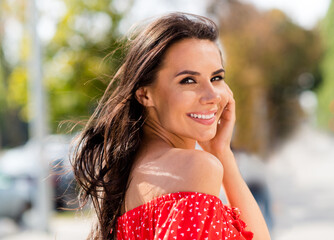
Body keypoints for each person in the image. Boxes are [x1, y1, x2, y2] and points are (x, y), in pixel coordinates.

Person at [72, 12, 271, 240]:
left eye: (216, 78)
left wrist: (221, 152)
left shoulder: (132, 173)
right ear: (145, 95)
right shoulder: (195, 168)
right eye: (188, 80)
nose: (212, 95)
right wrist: (216, 158)